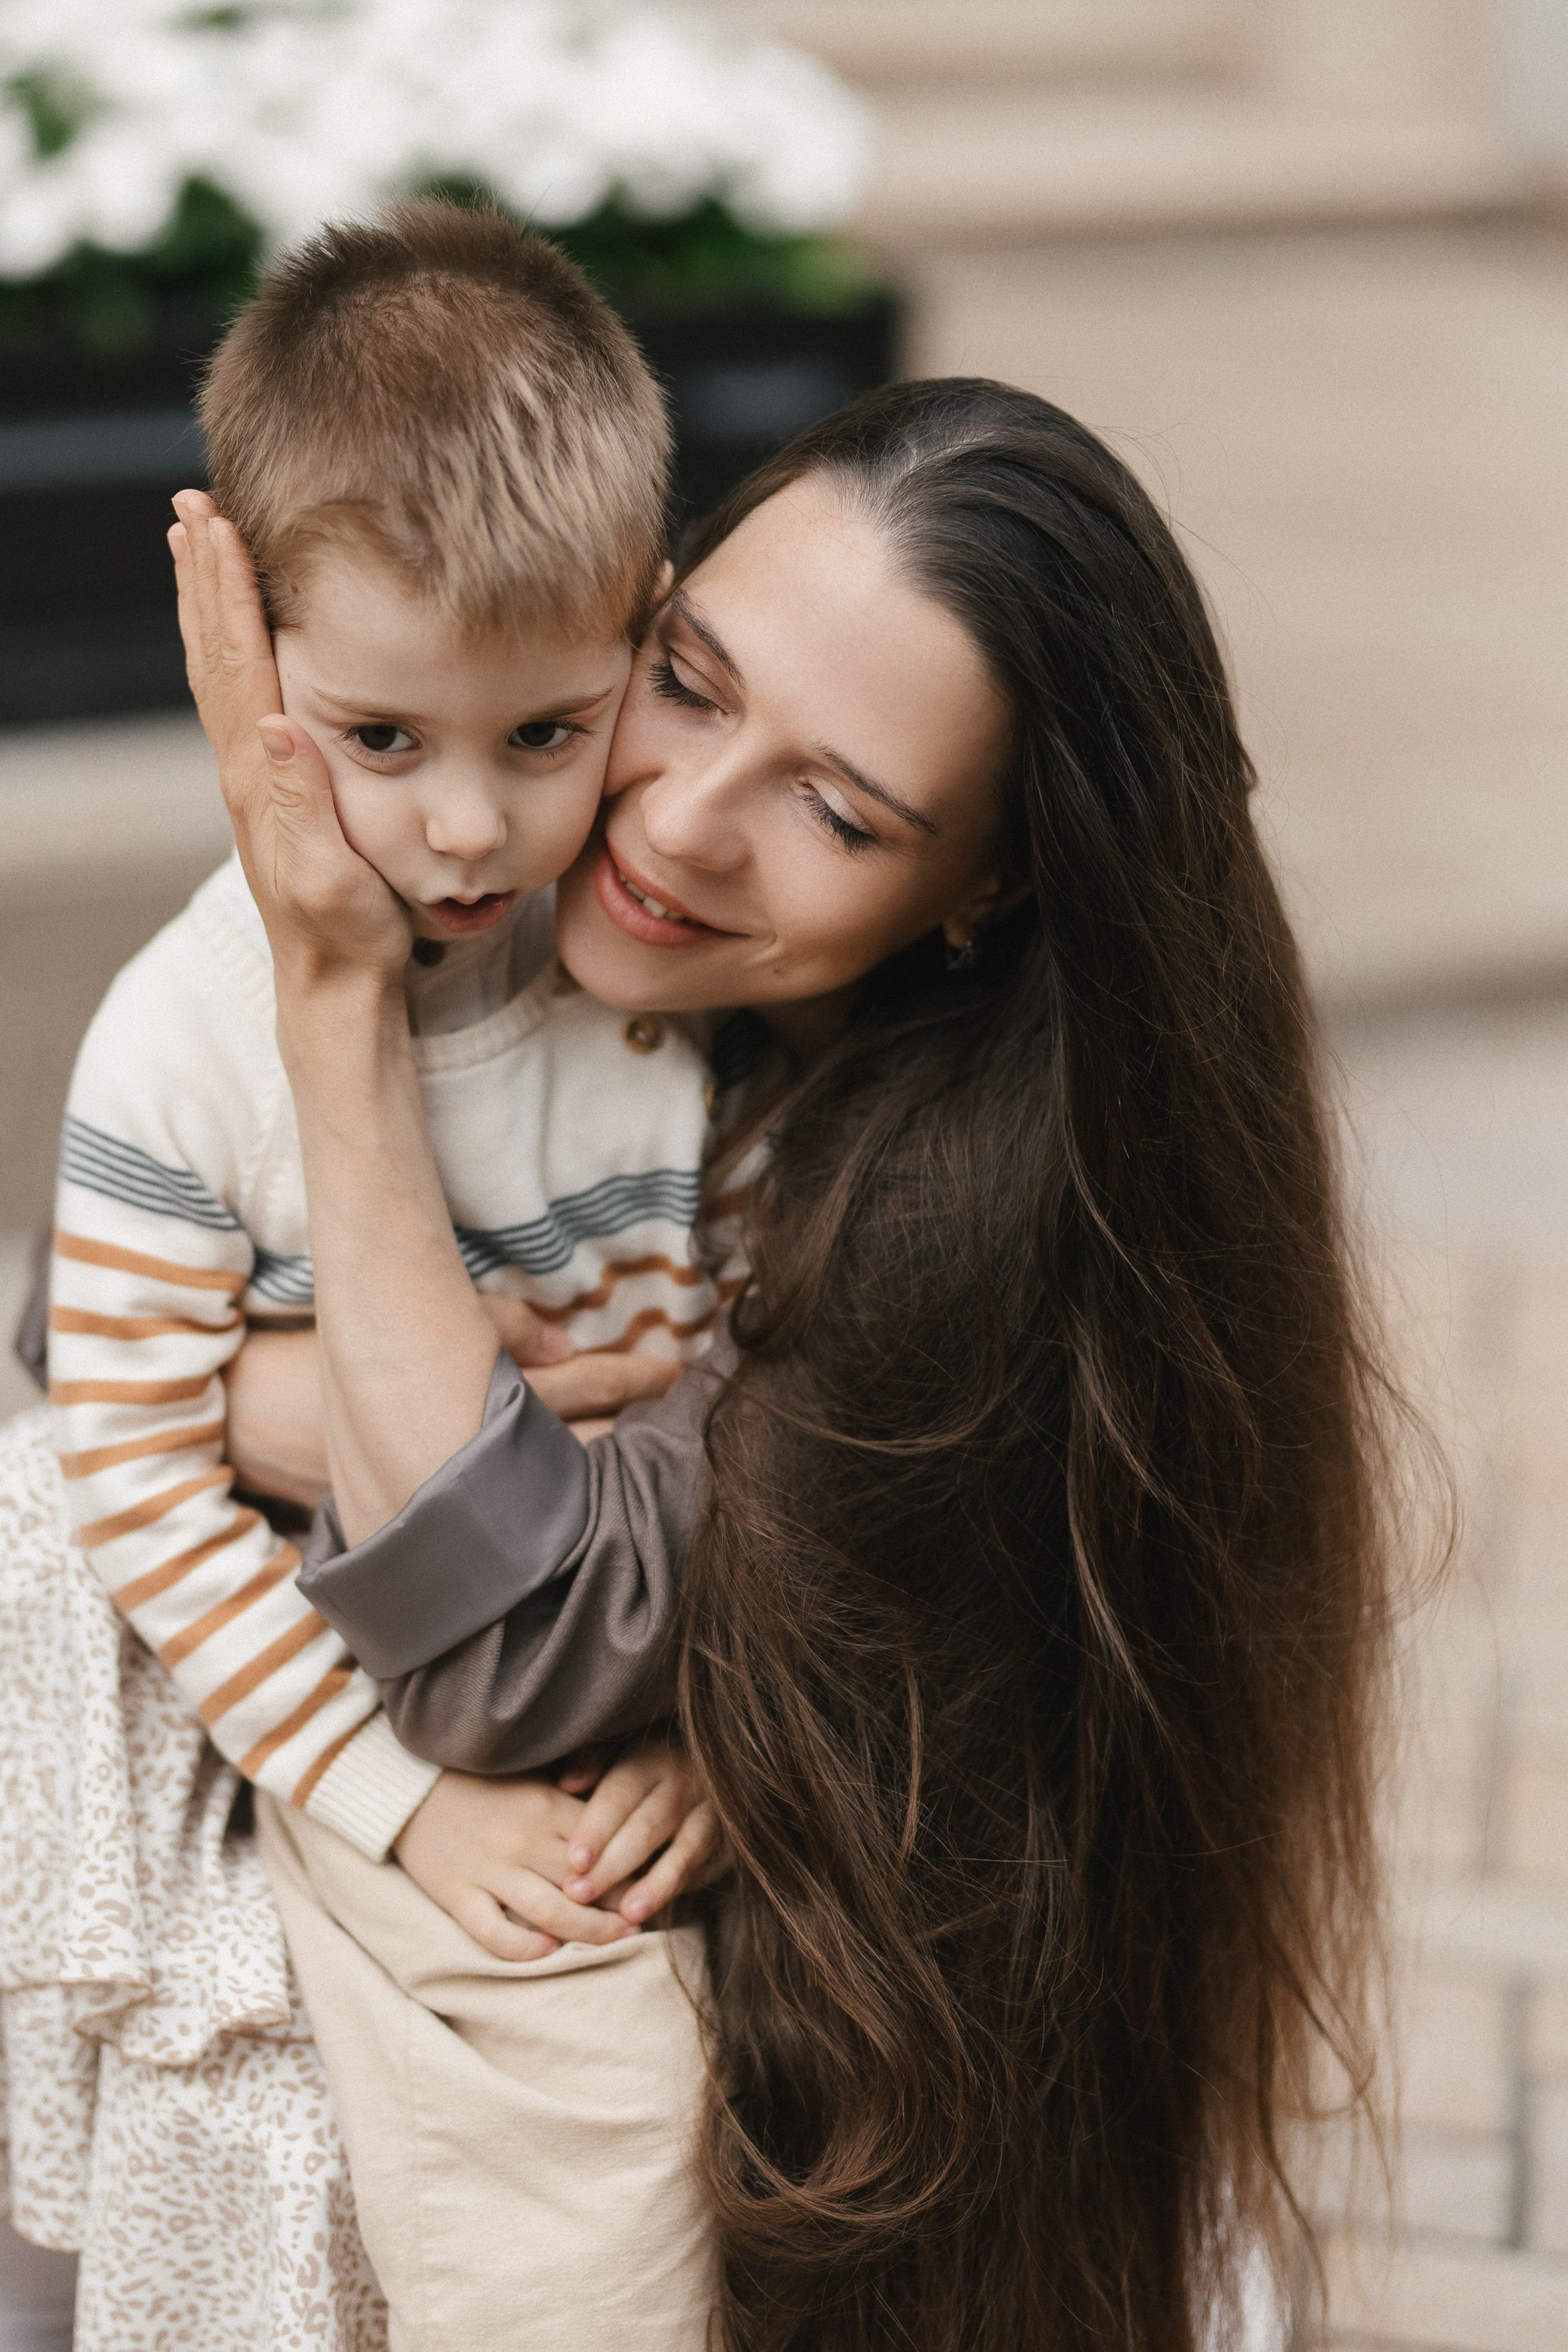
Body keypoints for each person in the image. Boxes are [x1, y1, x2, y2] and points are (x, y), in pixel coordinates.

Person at [175, 375, 1403, 2352]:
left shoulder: (964, 1208)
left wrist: (330, 1001)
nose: (674, 820)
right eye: (685, 679)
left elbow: (505, 1653)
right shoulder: (502, 903)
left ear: (985, 890)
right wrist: (255, 1390)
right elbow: (117, 1281)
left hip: (863, 2169)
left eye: (836, 811)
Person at [1, 201, 742, 2352]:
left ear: (650, 633)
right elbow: (136, 1473)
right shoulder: (188, 1033)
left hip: (669, 1657)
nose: (463, 833)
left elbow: (786, 1379)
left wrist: (735, 1731)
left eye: (545, 731)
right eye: (379, 737)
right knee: (575, 2144)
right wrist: (410, 1808)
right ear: (245, 656)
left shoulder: (667, 984)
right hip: (351, 1690)